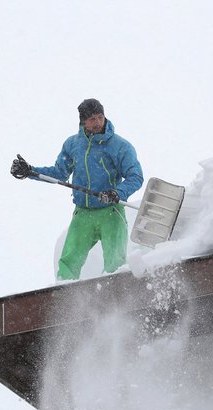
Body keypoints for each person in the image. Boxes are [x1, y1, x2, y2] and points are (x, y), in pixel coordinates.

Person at [11, 98, 144, 280]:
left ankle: (120, 298)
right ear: (83, 121)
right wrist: (31, 172)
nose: (97, 122)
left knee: (116, 264)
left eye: (100, 117)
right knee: (69, 261)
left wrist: (117, 193)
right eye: (92, 119)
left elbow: (135, 176)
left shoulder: (120, 146)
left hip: (111, 213)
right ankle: (64, 296)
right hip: (83, 214)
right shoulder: (73, 145)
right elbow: (59, 173)